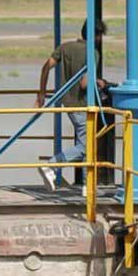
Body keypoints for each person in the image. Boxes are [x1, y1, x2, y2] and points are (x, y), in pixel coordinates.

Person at [36, 20, 107, 190]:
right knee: (85, 146)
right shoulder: (93, 53)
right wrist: (100, 83)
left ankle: (87, 187)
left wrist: (41, 94)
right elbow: (84, 84)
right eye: (99, 36)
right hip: (81, 104)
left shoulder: (65, 47)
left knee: (86, 144)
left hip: (66, 102)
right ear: (96, 36)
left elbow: (46, 67)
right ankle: (51, 165)